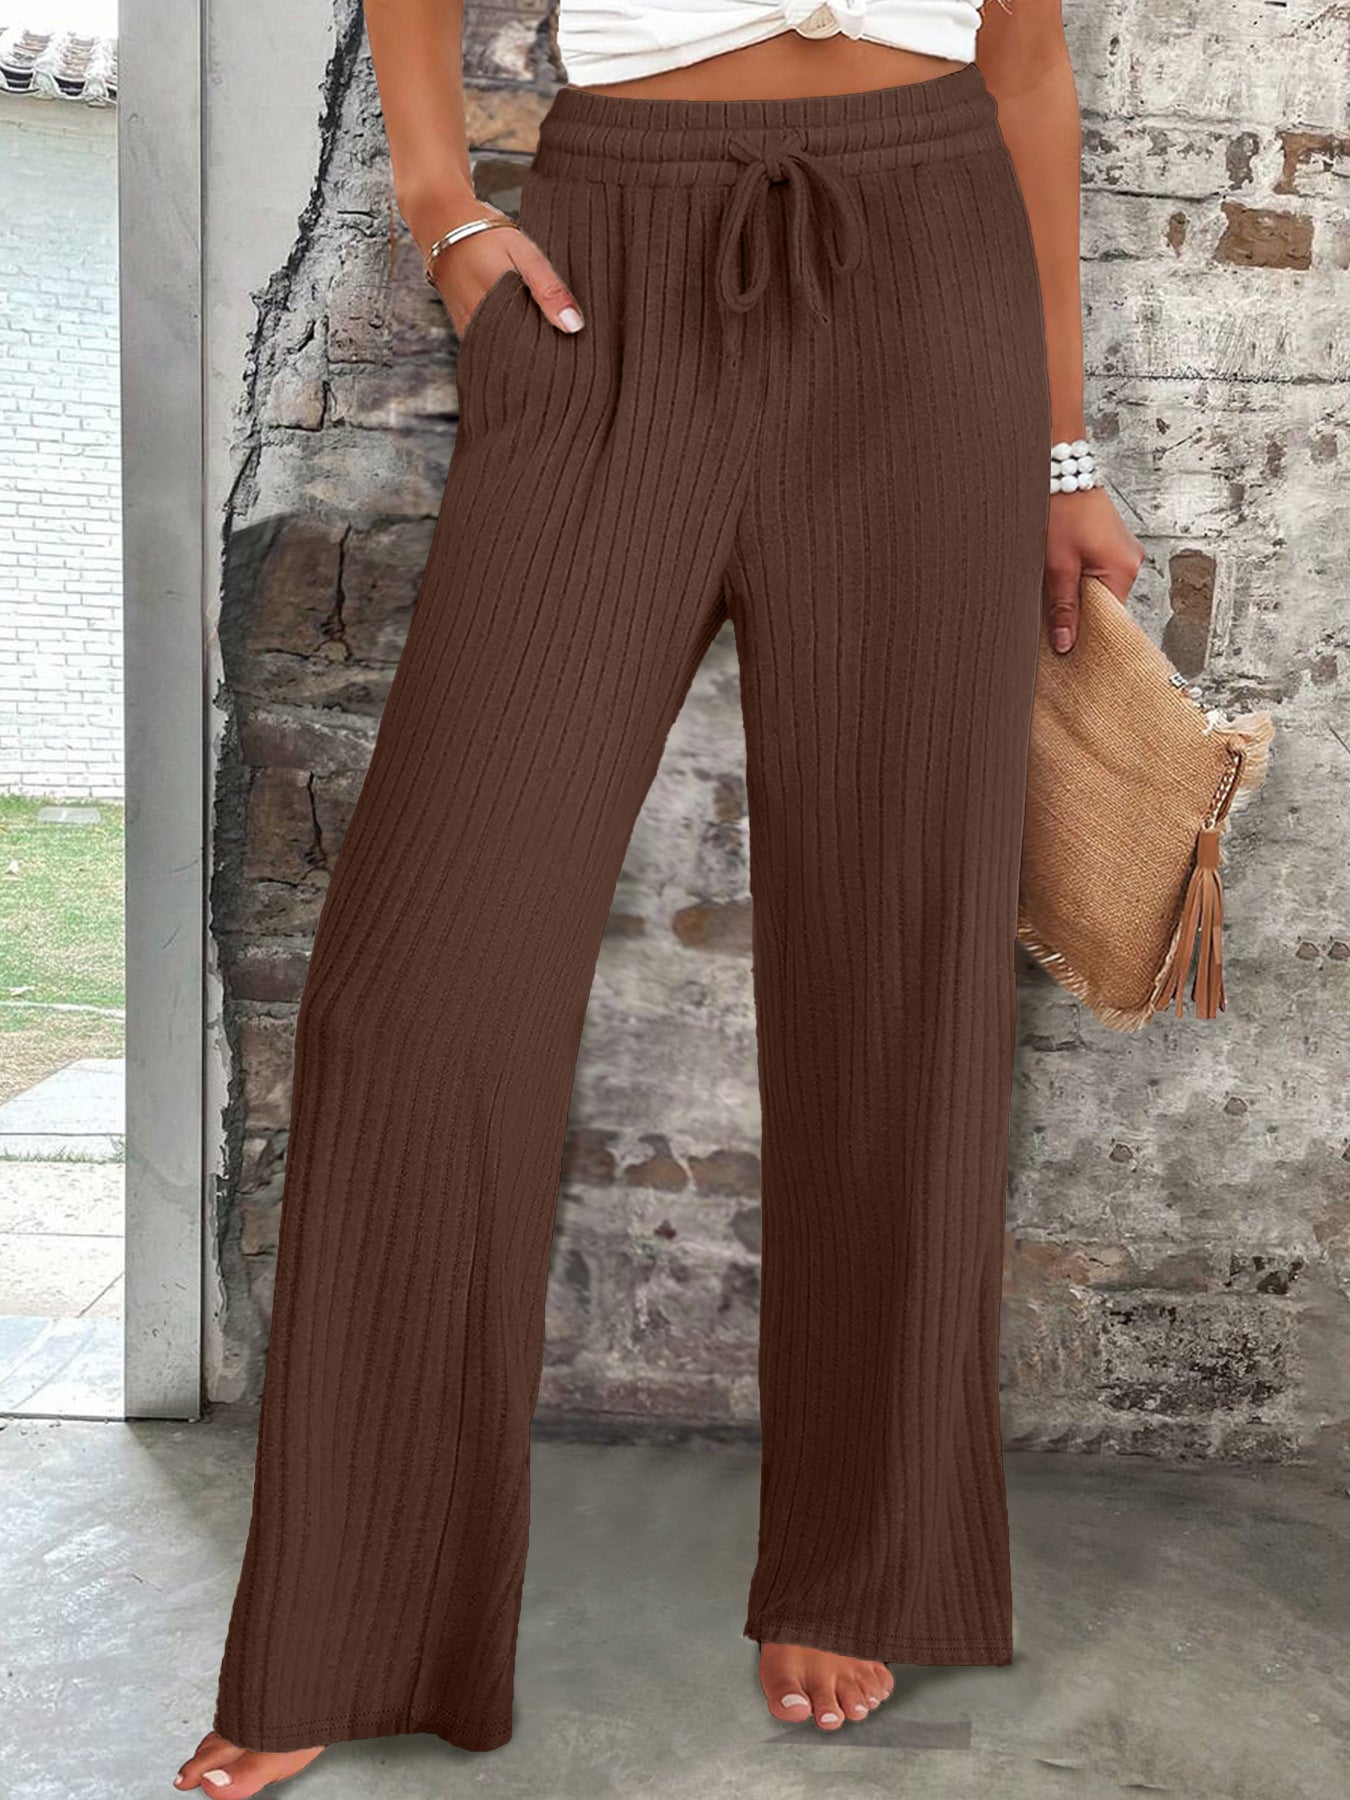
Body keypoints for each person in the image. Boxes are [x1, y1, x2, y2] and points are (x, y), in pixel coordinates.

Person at [175, 0, 1144, 1790]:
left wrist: (1060, 456)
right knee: (419, 991)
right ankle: (350, 1620)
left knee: (896, 955)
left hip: (928, 271)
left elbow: (1022, 65)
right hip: (605, 271)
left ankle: (857, 1558)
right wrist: (444, 207)